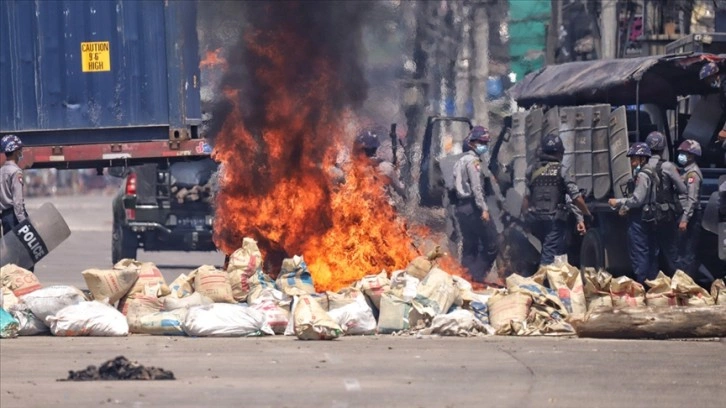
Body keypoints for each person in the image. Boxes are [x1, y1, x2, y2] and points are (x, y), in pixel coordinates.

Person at [525, 133, 590, 267]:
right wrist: (586, 214)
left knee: (546, 250)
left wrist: (525, 219)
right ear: (560, 153)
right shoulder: (562, 171)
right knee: (550, 254)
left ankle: (546, 279)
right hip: (553, 220)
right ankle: (544, 284)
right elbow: (575, 198)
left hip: (535, 218)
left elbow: (526, 198)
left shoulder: (531, 170)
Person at [609, 142, 658, 284]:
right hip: (649, 216)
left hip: (639, 218)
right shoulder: (652, 172)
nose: (632, 162)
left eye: (634, 159)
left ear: (642, 159)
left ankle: (642, 284)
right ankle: (652, 283)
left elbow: (637, 199)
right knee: (650, 251)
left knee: (639, 252)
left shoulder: (643, 175)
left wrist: (618, 202)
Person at [452, 126, 498, 280]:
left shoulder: (459, 161)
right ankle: (476, 278)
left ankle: (465, 278)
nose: (484, 145)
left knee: (469, 246)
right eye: (481, 142)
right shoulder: (473, 162)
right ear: (472, 143)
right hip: (473, 207)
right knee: (492, 244)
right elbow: (476, 187)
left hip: (460, 207)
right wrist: (483, 208)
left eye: (485, 142)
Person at [644, 131, 686, 275]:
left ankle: (654, 285)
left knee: (651, 251)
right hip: (665, 214)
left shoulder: (642, 165)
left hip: (647, 214)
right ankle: (679, 284)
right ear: (663, 148)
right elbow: (682, 189)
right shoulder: (668, 166)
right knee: (672, 251)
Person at [674, 140, 707, 281]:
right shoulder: (685, 172)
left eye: (684, 153)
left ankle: (686, 284)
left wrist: (685, 220)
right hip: (685, 215)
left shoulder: (692, 174)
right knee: (681, 252)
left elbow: (692, 200)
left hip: (690, 218)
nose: (681, 155)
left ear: (692, 156)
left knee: (687, 253)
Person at [0, 134, 27, 236]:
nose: (21, 151)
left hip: (5, 218)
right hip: (15, 217)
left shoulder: (1, 171)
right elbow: (18, 201)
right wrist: (24, 223)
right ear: (15, 151)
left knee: (11, 250)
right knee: (23, 250)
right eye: (20, 149)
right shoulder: (16, 172)